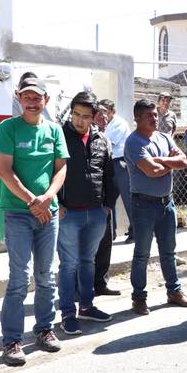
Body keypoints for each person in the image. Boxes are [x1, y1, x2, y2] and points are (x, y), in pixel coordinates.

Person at [0, 75, 69, 366]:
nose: (32, 102)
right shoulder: (7, 128)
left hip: (47, 212)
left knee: (46, 277)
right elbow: (4, 171)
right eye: (27, 97)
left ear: (45, 100)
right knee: (19, 278)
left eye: (37, 97)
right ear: (18, 98)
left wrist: (47, 197)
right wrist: (32, 201)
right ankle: (12, 339)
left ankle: (44, 330)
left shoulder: (54, 130)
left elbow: (60, 169)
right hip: (18, 212)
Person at [55, 91, 116, 335]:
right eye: (76, 115)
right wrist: (57, 204)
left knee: (88, 262)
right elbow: (50, 171)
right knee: (68, 265)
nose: (79, 120)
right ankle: (68, 313)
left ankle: (87, 306)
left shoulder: (102, 140)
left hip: (96, 213)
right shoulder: (58, 137)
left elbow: (110, 176)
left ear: (94, 117)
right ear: (70, 113)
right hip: (68, 213)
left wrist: (108, 205)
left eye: (85, 116)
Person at [125, 98, 187, 315]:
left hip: (167, 203)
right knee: (142, 254)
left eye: (155, 115)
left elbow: (184, 162)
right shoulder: (134, 142)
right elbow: (150, 171)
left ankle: (174, 291)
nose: (154, 119)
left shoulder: (163, 137)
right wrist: (167, 162)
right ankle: (139, 298)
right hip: (143, 204)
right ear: (137, 118)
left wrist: (159, 161)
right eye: (149, 116)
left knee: (169, 252)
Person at [92, 101, 119, 296]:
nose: (104, 119)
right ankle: (80, 288)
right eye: (99, 116)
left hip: (103, 204)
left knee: (105, 244)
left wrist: (109, 204)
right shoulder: (76, 139)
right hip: (83, 205)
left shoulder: (106, 141)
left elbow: (111, 175)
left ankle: (101, 283)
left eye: (105, 116)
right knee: (83, 250)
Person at [101, 98, 133, 243]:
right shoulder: (104, 124)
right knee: (108, 200)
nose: (103, 114)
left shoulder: (118, 123)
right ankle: (111, 233)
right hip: (108, 164)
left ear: (113, 111)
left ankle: (136, 232)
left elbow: (106, 142)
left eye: (106, 111)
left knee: (128, 198)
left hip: (120, 163)